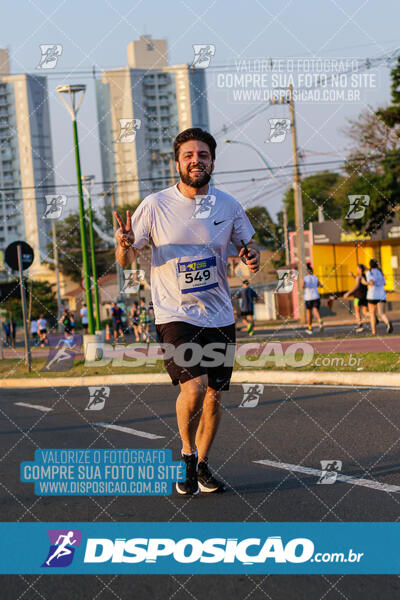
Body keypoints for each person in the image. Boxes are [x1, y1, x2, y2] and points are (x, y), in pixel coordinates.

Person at [115, 127, 260, 496]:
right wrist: (125, 244)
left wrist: (250, 257)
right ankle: (186, 454)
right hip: (174, 314)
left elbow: (248, 248)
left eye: (203, 155)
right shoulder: (156, 205)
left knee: (214, 395)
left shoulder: (228, 205)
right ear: (177, 163)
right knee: (193, 388)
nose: (196, 161)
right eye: (189, 156)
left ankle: (203, 467)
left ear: (212, 161)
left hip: (219, 316)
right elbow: (129, 258)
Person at [363, 259, 393, 335]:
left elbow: (371, 283)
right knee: (381, 313)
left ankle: (374, 332)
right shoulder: (380, 272)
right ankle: (387, 322)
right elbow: (384, 283)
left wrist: (364, 282)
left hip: (372, 295)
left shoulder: (369, 272)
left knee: (372, 314)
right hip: (382, 295)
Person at [343, 265, 369, 332]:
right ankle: (373, 316)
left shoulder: (359, 276)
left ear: (360, 269)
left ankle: (359, 324)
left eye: (357, 268)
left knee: (357, 311)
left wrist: (348, 293)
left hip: (357, 296)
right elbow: (359, 280)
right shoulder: (365, 275)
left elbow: (357, 286)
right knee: (365, 312)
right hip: (365, 296)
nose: (357, 269)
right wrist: (353, 276)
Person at [302, 263, 323, 335]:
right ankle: (320, 320)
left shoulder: (305, 278)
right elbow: (320, 285)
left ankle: (310, 327)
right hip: (316, 296)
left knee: (308, 312)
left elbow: (303, 286)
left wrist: (305, 286)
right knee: (315, 309)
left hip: (308, 297)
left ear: (307, 271)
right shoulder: (315, 277)